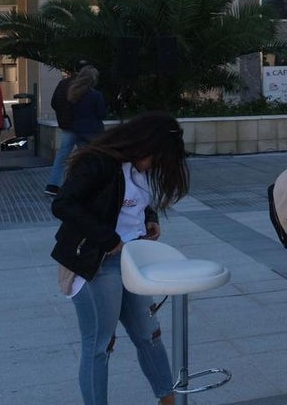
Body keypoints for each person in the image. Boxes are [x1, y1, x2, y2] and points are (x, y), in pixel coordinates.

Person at [50, 111, 191, 405]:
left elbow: (133, 201)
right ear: (144, 145)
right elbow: (63, 204)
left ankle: (169, 401)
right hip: (95, 264)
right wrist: (108, 238)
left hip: (133, 262)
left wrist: (149, 218)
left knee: (148, 335)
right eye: (156, 158)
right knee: (100, 346)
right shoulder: (98, 162)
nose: (155, 166)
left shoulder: (136, 168)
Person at [47, 61, 98, 196]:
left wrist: (63, 117)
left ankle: (53, 185)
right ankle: (84, 185)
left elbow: (54, 102)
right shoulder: (87, 87)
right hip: (83, 128)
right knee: (86, 157)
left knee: (62, 156)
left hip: (67, 126)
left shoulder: (63, 84)